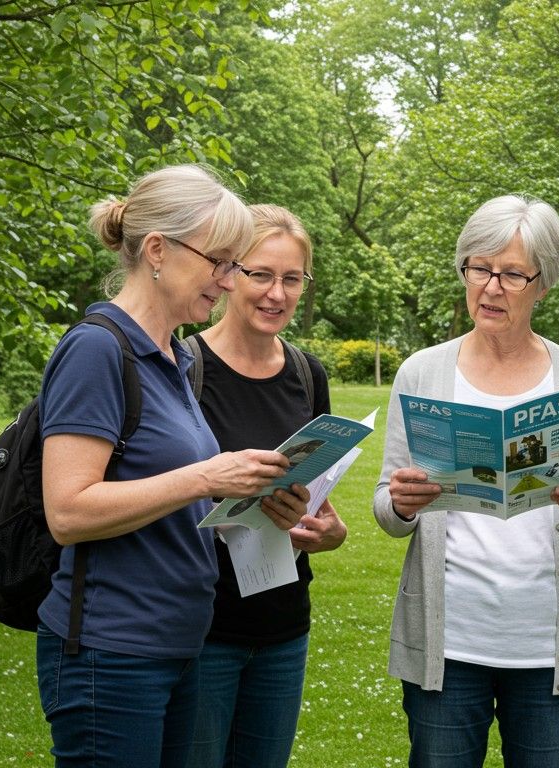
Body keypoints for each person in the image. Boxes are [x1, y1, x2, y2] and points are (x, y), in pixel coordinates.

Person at [37, 165, 297, 767]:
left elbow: (166, 499)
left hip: (178, 647)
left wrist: (254, 501)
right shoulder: (98, 349)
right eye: (221, 263)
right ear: (158, 250)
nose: (230, 283)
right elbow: (68, 511)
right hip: (112, 652)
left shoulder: (173, 356)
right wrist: (207, 477)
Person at [374, 194, 559, 768]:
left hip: (544, 645)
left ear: (544, 282)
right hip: (449, 640)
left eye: (512, 273)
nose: (491, 287)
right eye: (479, 268)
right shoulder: (423, 372)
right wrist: (404, 504)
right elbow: (387, 507)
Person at [188, 204, 345, 768]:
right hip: (202, 629)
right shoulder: (184, 368)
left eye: (291, 279)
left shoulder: (307, 374)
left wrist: (328, 530)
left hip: (283, 628)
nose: (276, 293)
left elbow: (318, 497)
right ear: (228, 274)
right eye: (260, 274)